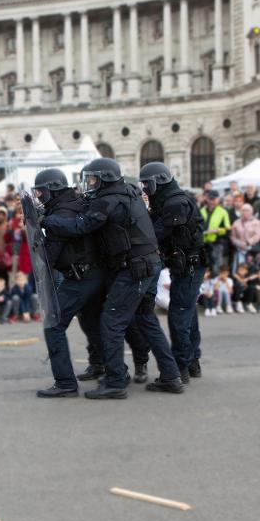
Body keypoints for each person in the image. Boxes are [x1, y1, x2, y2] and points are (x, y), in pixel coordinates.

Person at [44, 158, 182, 400]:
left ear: (106, 178)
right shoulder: (127, 191)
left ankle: (116, 382)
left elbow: (80, 226)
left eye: (94, 178)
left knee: (111, 320)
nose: (90, 183)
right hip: (148, 265)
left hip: (135, 268)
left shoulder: (108, 200)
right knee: (145, 318)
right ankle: (171, 376)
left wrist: (47, 219)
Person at [32, 168, 106, 397]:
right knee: (91, 322)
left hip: (80, 277)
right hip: (93, 274)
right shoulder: (72, 204)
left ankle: (65, 383)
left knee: (54, 325)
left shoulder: (60, 214)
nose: (39, 197)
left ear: (52, 189)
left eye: (41, 192)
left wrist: (37, 238)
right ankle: (105, 365)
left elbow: (49, 257)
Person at [140, 161, 204, 384]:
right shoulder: (168, 200)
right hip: (183, 264)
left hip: (190, 265)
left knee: (179, 314)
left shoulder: (175, 203)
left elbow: (157, 233)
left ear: (159, 182)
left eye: (148, 185)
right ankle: (193, 362)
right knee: (187, 313)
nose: (146, 190)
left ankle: (181, 367)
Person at [200, 190, 231, 272]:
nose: (212, 201)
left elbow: (228, 229)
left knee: (216, 267)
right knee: (203, 266)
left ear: (218, 199)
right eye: (210, 199)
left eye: (214, 199)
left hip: (217, 243)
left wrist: (217, 230)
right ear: (207, 199)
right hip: (203, 243)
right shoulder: (201, 210)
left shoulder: (223, 212)